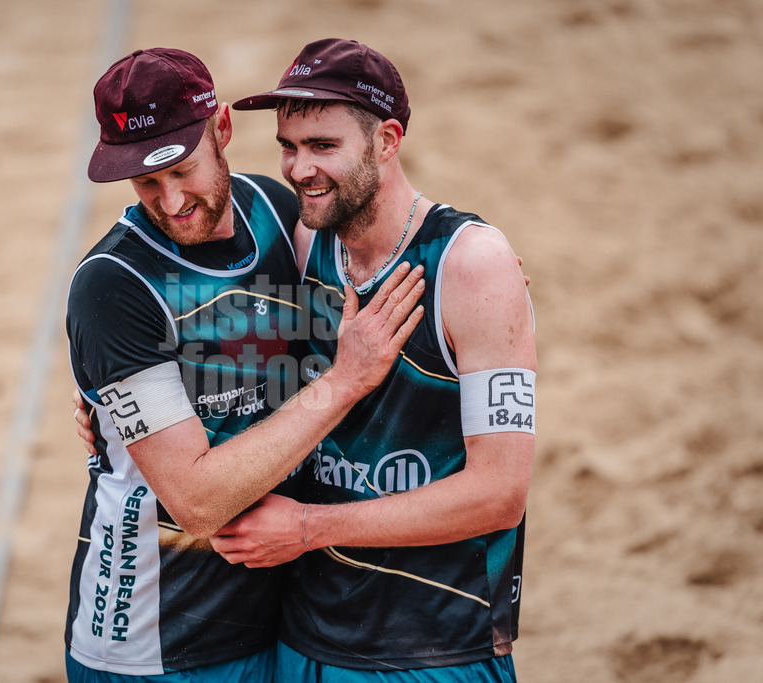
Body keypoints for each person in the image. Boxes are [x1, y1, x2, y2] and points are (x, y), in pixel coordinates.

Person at [63, 47, 426, 682]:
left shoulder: (281, 213)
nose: (172, 201)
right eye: (146, 182)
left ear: (222, 129)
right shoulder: (111, 286)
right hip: (156, 639)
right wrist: (341, 385)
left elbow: (391, 255)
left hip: (280, 617)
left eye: (183, 169)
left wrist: (478, 272)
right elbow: (198, 503)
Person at [206, 38, 537, 682]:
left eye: (324, 146)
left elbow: (500, 494)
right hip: (303, 639)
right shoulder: (305, 244)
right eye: (288, 146)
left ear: (387, 140)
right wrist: (108, 399)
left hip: (433, 649)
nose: (299, 169)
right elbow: (214, 339)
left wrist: (305, 526)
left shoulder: (473, 263)